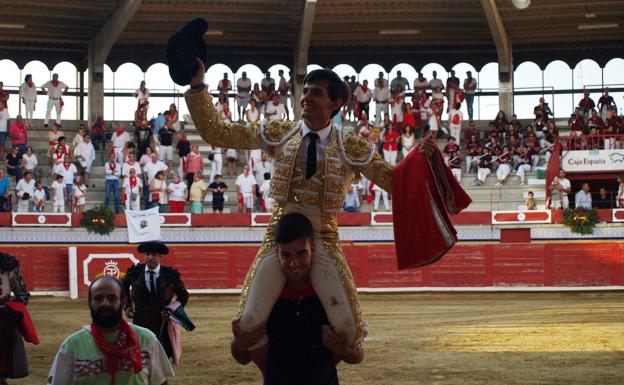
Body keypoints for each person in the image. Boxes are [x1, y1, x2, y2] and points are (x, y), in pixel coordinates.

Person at [185, 63, 443, 364]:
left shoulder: (352, 146)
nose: (306, 97)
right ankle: (275, 375)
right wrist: (197, 86)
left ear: (336, 103)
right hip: (278, 236)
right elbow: (218, 131)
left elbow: (394, 182)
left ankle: (316, 371)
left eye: (316, 93)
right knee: (246, 324)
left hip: (323, 236)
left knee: (348, 329)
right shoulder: (279, 131)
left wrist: (418, 162)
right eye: (305, 91)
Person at [231, 213, 363, 383]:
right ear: (277, 254)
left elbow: (358, 356)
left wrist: (344, 350)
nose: (295, 264)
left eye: (302, 253)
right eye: (286, 255)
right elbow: (243, 358)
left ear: (312, 250)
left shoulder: (328, 295)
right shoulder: (267, 297)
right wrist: (237, 345)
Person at [48, 275, 174, 385]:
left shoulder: (147, 339)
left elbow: (160, 382)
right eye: (98, 299)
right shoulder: (71, 346)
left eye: (112, 298)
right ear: (90, 303)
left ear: (123, 301)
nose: (105, 304)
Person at [123, 241, 189, 361]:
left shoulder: (170, 275)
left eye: (154, 254)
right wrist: (127, 306)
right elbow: (123, 287)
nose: (150, 257)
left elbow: (184, 295)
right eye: (147, 254)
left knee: (161, 355)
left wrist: (171, 310)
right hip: (140, 319)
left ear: (160, 256)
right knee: (140, 354)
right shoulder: (135, 272)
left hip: (162, 321)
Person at [0, 252, 33, 385]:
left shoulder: (7, 265)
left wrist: (9, 312)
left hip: (2, 323)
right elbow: (23, 295)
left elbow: (23, 295)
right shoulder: (7, 265)